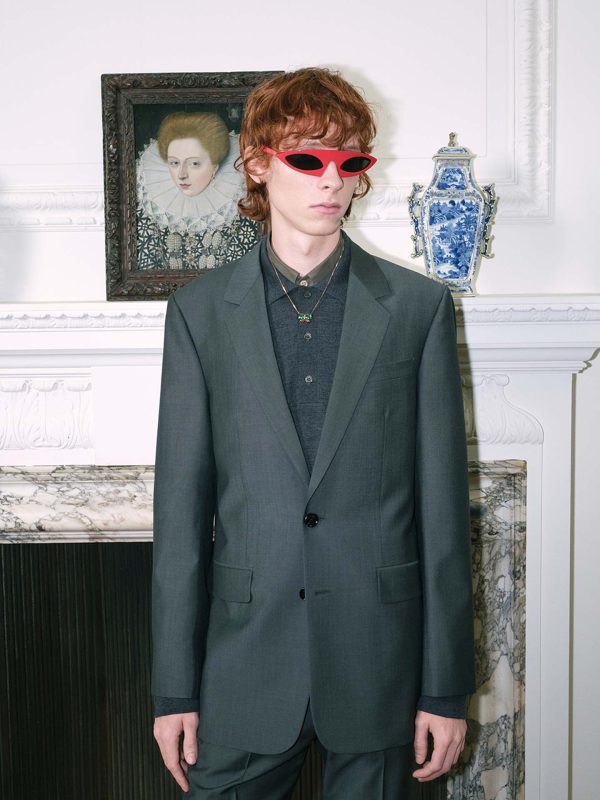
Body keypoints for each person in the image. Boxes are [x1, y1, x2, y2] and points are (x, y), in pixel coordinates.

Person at [151, 67, 476, 799]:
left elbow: (443, 516)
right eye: (308, 158)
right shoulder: (200, 313)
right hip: (243, 663)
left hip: (380, 661)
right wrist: (173, 689)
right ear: (258, 165)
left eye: (349, 161)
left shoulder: (417, 308)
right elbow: (179, 518)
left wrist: (446, 687)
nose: (332, 180)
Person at [136, 111, 258, 272]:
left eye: (194, 163)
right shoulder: (152, 210)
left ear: (215, 166)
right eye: (174, 163)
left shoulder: (241, 209)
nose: (181, 174)